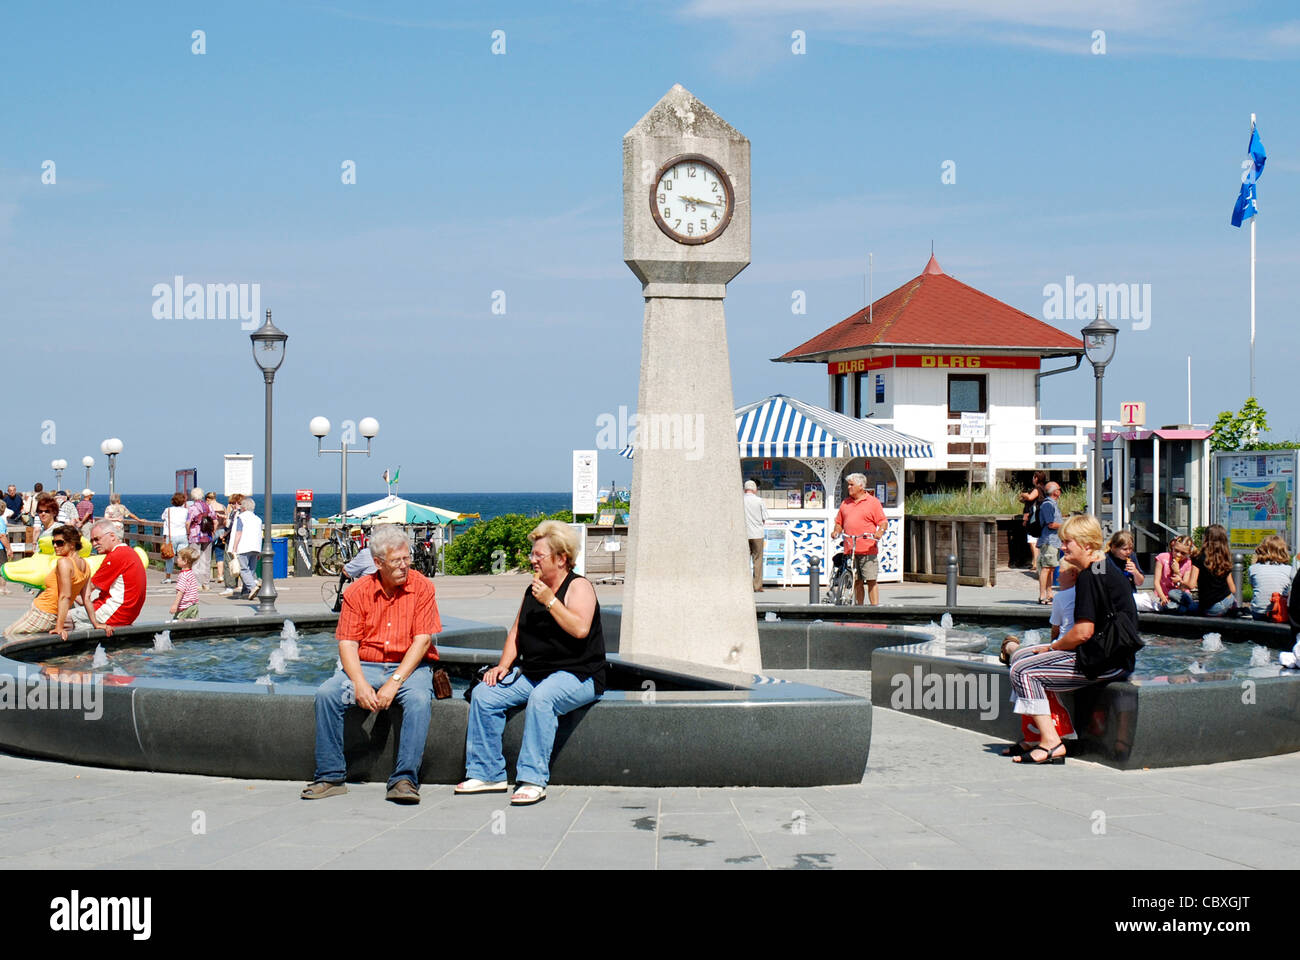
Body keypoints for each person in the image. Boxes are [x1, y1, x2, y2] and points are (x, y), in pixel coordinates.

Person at [457, 520, 606, 806]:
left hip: (580, 674)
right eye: (532, 554)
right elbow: (516, 631)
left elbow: (580, 629)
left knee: (542, 698)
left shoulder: (579, 587)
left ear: (561, 559)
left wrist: (551, 601)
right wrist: (502, 666)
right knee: (485, 695)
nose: (532, 560)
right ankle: (487, 773)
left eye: (539, 555)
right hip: (536, 672)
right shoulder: (533, 590)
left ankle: (533, 779)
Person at [303, 524, 441, 804]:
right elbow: (348, 643)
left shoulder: (422, 587)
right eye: (396, 561)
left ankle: (404, 779)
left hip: (409, 667)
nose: (404, 565)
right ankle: (330, 776)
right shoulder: (357, 592)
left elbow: (422, 641)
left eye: (407, 558)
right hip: (366, 664)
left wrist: (394, 682)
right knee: (328, 694)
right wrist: (359, 683)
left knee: (417, 700)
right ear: (378, 563)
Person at [1007, 514, 1140, 764]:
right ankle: (1034, 734)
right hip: (1113, 656)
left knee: (1023, 670)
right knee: (1021, 654)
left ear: (1087, 545)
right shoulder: (1102, 567)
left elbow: (1083, 632)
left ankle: (1051, 742)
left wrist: (1053, 646)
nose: (1062, 546)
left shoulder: (1090, 576)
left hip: (1104, 663)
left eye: (1068, 542)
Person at [3, 524, 98, 642]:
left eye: (59, 543)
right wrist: (96, 624)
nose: (55, 546)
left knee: (6, 637)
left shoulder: (64, 562)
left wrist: (59, 627)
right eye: (54, 542)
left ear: (72, 545)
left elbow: (65, 596)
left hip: (43, 613)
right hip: (54, 616)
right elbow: (87, 599)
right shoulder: (85, 566)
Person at [68, 520, 147, 632]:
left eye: (97, 539)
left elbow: (88, 588)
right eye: (92, 540)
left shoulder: (116, 556)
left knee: (60, 619)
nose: (94, 544)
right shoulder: (129, 552)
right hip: (128, 613)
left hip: (114, 613)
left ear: (112, 536)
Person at [831, 472, 888, 605]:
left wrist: (880, 532)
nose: (849, 487)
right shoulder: (846, 503)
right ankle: (859, 608)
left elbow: (883, 522)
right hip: (850, 549)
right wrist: (836, 531)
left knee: (871, 580)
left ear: (861, 486)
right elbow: (839, 522)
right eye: (848, 485)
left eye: (852, 485)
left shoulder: (873, 502)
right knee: (856, 581)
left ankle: (875, 609)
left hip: (867, 549)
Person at [1190, 524, 1238, 617]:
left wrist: (1180, 580)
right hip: (1227, 601)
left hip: (1210, 608)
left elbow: (1191, 584)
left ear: (1206, 539)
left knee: (1188, 604)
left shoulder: (1199, 558)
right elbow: (1233, 589)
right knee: (1230, 599)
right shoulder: (1225, 559)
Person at [223, 498, 263, 599]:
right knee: (251, 569)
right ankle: (246, 592)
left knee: (243, 569)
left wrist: (234, 548)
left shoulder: (241, 518)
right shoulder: (258, 519)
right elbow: (259, 534)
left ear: (243, 507)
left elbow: (238, 533)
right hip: (255, 547)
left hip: (243, 546)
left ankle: (252, 587)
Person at [1247, 535, 1292, 621]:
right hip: (1281, 612)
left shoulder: (1253, 568)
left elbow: (1254, 588)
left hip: (1258, 612)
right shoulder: (1289, 570)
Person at [1035, 482, 1063, 605]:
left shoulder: (1053, 504)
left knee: (1051, 568)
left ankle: (1049, 594)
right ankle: (1042, 596)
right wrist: (1066, 525)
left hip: (1054, 541)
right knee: (1046, 568)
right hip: (1049, 540)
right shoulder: (1047, 505)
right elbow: (1050, 524)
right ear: (1055, 492)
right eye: (1059, 489)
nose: (1061, 491)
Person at [1106, 530, 1149, 609]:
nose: (1128, 552)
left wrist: (1135, 572)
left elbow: (1140, 583)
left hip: (1130, 596)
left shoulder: (1131, 556)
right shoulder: (1105, 558)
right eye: (1124, 549)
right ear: (1114, 547)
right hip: (1112, 598)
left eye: (1130, 549)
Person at [1153, 535, 1194, 612]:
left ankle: (1184, 607)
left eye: (1183, 553)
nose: (1178, 555)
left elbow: (1183, 589)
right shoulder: (1162, 558)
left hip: (1181, 595)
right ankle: (1185, 608)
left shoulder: (1188, 563)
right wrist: (1163, 597)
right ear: (1173, 547)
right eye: (1176, 551)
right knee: (1169, 604)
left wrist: (1177, 572)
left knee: (1173, 593)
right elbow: (1156, 582)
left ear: (1188, 553)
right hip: (1166, 596)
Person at [185, 487, 215, 591]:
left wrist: (188, 532)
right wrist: (213, 532)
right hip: (207, 535)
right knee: (206, 560)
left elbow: (188, 522)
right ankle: (206, 583)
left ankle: (197, 583)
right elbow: (214, 520)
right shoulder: (209, 507)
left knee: (195, 559)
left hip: (195, 535)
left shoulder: (192, 508)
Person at [743, 480, 769, 593]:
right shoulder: (759, 501)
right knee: (757, 560)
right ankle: (757, 586)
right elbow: (765, 518)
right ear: (755, 489)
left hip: (744, 533)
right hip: (757, 534)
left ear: (744, 489)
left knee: (743, 560)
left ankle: (744, 584)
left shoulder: (740, 500)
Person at [1018, 471, 1048, 568]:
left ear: (1036, 478)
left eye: (1033, 477)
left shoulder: (1038, 488)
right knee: (1036, 540)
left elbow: (1030, 498)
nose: (1032, 479)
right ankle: (1036, 561)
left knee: (1032, 540)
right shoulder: (1044, 489)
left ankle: (1035, 562)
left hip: (1035, 518)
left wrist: (1023, 494)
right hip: (1041, 517)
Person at [160, 492, 189, 584]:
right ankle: (184, 577)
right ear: (183, 501)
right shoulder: (186, 511)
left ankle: (168, 577)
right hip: (183, 535)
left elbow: (163, 518)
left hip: (171, 536)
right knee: (183, 557)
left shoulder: (168, 510)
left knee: (169, 557)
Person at [169, 547, 201, 620]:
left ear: (185, 561)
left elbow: (180, 592)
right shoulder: (190, 573)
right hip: (193, 605)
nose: (177, 559)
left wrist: (175, 605)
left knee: (178, 625)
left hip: (185, 607)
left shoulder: (183, 576)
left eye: (179, 558)